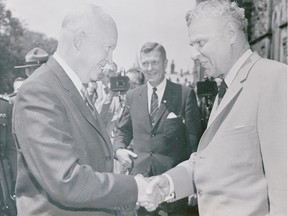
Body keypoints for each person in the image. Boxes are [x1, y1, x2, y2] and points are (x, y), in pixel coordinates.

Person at [142, 1, 287, 216]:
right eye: (193, 45)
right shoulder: (227, 86)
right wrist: (168, 183)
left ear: (230, 34)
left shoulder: (273, 78)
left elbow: (284, 189)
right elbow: (210, 161)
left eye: (201, 42)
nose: (194, 53)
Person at [12, 4, 159, 216]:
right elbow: (66, 180)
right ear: (80, 40)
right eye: (107, 48)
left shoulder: (69, 87)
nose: (109, 60)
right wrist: (134, 188)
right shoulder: (38, 91)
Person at [113, 42, 202, 215]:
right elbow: (122, 131)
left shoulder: (184, 94)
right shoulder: (133, 96)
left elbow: (194, 143)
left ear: (165, 63)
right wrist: (119, 150)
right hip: (142, 186)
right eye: (145, 63)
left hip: (173, 188)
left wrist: (194, 184)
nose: (150, 68)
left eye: (155, 62)